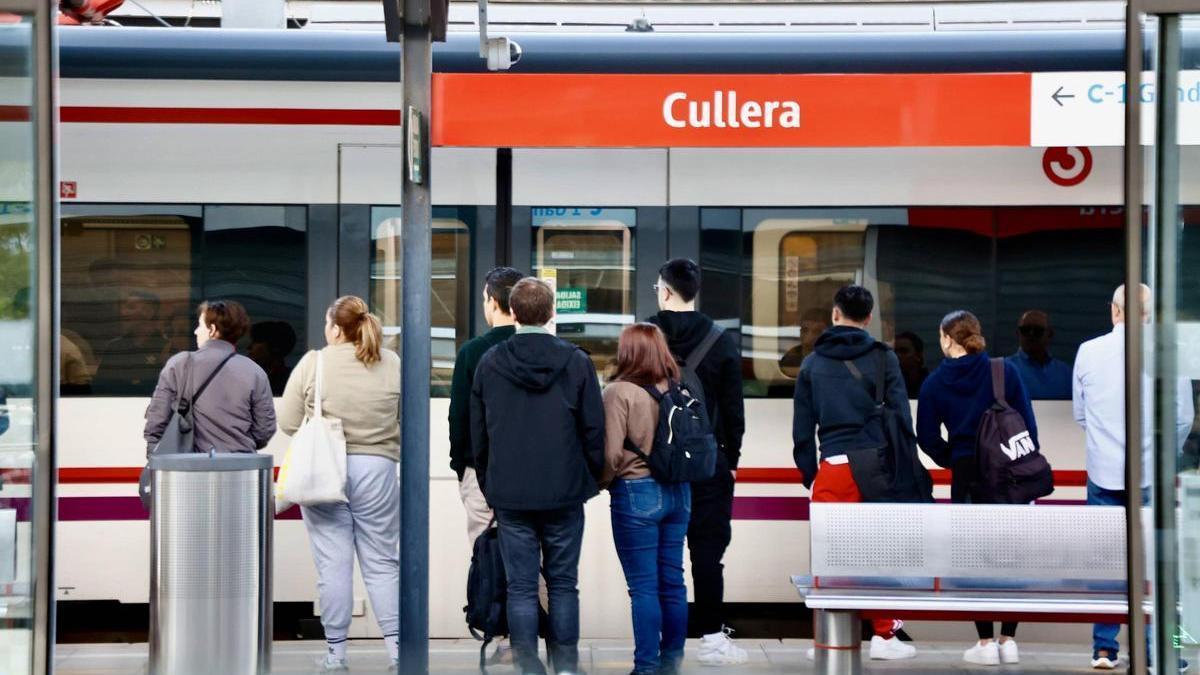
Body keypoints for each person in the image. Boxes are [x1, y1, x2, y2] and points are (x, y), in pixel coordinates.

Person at [471, 277, 605, 675]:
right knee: (563, 583)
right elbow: (594, 430)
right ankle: (565, 667)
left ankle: (528, 667)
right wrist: (589, 479)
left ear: (512, 312)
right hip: (565, 492)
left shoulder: (489, 363)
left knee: (521, 587)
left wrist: (490, 484)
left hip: (510, 495)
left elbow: (480, 435)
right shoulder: (577, 362)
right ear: (551, 313)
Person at [792, 285, 916, 661]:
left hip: (832, 466)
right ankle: (884, 635)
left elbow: (802, 429)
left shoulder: (812, 363)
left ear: (835, 314)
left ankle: (828, 638)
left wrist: (810, 474)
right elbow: (901, 417)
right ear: (868, 318)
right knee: (879, 550)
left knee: (830, 556)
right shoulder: (883, 357)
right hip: (876, 465)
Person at [1074, 284, 1194, 671]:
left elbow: (1081, 414)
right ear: (1151, 313)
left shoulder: (1088, 351)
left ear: (1114, 311)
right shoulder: (1169, 351)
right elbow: (1182, 418)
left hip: (1103, 473)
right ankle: (1160, 651)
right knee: (1158, 566)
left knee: (1105, 562)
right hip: (1151, 477)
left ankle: (1103, 649)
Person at [278, 296, 402, 672]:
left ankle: (336, 654)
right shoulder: (391, 362)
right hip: (378, 468)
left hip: (324, 469)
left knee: (333, 566)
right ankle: (398, 651)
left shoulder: (314, 362)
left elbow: (288, 421)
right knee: (382, 563)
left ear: (335, 329)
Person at [916, 310, 1038, 666]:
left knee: (974, 559)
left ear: (946, 339)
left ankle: (985, 642)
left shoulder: (935, 383)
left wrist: (954, 458)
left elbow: (926, 437)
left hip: (967, 474)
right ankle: (1008, 640)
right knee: (1013, 558)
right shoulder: (1004, 371)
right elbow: (1028, 428)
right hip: (1009, 472)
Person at [646, 259, 747, 666]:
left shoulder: (645, 336)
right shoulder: (721, 340)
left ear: (666, 291)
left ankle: (661, 640)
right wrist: (730, 459)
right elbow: (734, 409)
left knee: (659, 555)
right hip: (709, 463)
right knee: (707, 553)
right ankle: (712, 638)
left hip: (657, 463)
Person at [601, 323, 691, 675]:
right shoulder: (678, 387)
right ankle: (671, 663)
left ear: (627, 352)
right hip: (679, 492)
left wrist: (601, 483)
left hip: (637, 492)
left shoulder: (618, 392)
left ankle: (646, 667)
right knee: (673, 582)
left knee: (643, 587)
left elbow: (611, 454)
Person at [449, 266, 524, 543]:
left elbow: (458, 417)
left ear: (493, 302)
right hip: (530, 472)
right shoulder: (540, 348)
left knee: (486, 554)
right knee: (528, 554)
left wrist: (461, 466)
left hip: (480, 471)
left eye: (484, 299)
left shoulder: (472, 352)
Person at [143, 299, 275, 455]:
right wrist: (237, 443)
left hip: (189, 466)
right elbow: (264, 430)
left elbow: (157, 421)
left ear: (212, 330)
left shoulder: (180, 364)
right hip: (240, 465)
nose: (195, 331)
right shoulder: (255, 371)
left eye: (200, 325)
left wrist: (155, 456)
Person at [1006, 310, 1072, 400]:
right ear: (1018, 333)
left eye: (1038, 330)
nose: (1031, 334)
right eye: (1025, 330)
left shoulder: (1065, 373)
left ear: (1050, 334)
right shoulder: (1004, 370)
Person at [248, 320, 298, 396]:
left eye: (256, 341)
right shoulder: (249, 378)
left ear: (274, 347)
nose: (249, 347)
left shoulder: (292, 381)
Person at [894, 331, 929, 398]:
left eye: (903, 351)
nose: (897, 356)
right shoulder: (889, 385)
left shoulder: (930, 385)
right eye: (894, 352)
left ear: (918, 356)